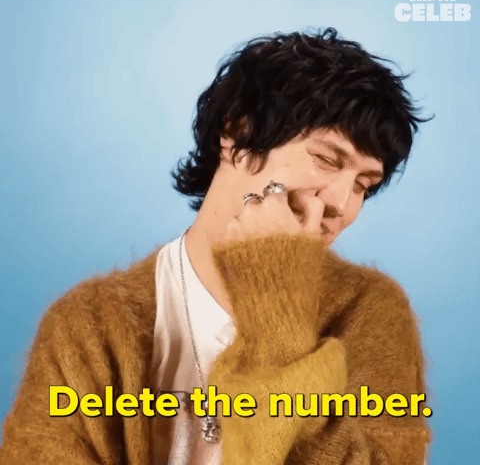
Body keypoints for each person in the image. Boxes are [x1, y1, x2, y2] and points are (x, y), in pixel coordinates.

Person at [0, 28, 431, 464]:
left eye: (363, 185)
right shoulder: (86, 325)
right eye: (326, 159)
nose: (342, 203)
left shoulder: (372, 312)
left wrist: (279, 323)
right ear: (238, 136)